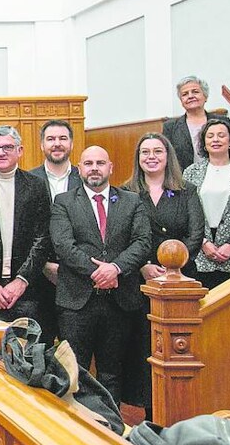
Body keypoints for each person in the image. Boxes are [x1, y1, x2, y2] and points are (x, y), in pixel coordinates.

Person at [48, 146, 152, 404]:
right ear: (79, 168)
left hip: (120, 300)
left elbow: (142, 242)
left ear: (110, 167)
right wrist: (97, 271)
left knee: (112, 372)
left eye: (100, 163)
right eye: (88, 163)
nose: (94, 168)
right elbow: (63, 245)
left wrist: (115, 268)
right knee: (76, 371)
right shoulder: (63, 202)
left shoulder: (131, 201)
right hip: (77, 302)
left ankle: (111, 431)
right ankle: (78, 431)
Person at [122, 133, 205, 419]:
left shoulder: (187, 191)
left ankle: (180, 410)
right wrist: (143, 265)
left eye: (158, 151)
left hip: (180, 282)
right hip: (141, 281)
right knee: (146, 347)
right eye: (145, 152)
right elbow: (122, 236)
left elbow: (196, 234)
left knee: (177, 348)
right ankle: (150, 412)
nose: (151, 157)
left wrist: (174, 267)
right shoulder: (127, 192)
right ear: (138, 158)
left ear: (168, 156)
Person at [0, 127, 51, 323]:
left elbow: (43, 238)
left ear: (20, 150)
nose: (1, 152)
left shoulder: (36, 186)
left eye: (7, 147)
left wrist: (21, 281)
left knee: (27, 351)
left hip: (27, 291)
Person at [182, 117, 230, 289]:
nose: (215, 139)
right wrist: (203, 243)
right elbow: (184, 213)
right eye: (210, 136)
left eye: (221, 135)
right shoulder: (191, 172)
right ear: (203, 143)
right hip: (201, 254)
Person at [29, 119, 82, 344]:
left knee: (75, 349)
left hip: (78, 277)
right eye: (51, 139)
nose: (56, 144)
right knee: (40, 348)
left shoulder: (86, 179)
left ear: (71, 143)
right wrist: (43, 264)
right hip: (38, 277)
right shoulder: (29, 180)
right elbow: (24, 230)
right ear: (42, 145)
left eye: (62, 138)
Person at [162, 75, 214, 171]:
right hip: (183, 181)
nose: (190, 96)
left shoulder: (221, 121)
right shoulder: (170, 127)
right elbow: (166, 158)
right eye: (185, 94)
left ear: (205, 96)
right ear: (181, 101)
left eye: (195, 92)